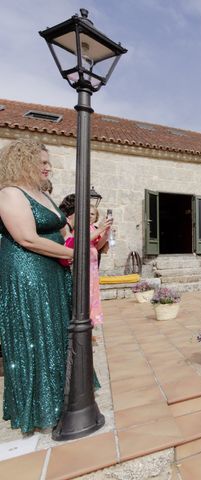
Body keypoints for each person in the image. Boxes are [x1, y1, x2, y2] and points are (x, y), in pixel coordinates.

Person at [0, 139, 74, 433]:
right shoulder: (10, 193)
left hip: (52, 271)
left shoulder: (41, 194)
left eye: (48, 162)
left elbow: (62, 228)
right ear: (22, 162)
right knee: (36, 334)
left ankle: (60, 397)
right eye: (42, 162)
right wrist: (74, 254)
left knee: (55, 331)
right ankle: (40, 407)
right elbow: (27, 238)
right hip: (27, 274)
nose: (48, 167)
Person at [58, 200, 112, 326]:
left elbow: (98, 246)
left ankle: (90, 322)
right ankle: (82, 323)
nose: (90, 216)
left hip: (92, 266)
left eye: (93, 214)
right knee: (84, 292)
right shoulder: (79, 227)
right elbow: (81, 241)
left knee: (92, 294)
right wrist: (101, 230)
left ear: (96, 217)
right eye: (88, 213)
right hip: (83, 265)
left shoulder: (94, 228)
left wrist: (106, 234)